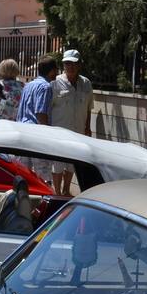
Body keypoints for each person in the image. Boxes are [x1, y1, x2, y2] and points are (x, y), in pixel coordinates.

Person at [50, 49, 94, 195]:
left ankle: (66, 190)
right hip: (59, 131)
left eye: (74, 63)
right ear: (63, 64)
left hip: (78, 131)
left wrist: (88, 127)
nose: (70, 66)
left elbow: (89, 108)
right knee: (58, 164)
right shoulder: (55, 83)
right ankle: (57, 192)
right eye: (67, 63)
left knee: (72, 163)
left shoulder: (86, 83)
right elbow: (48, 108)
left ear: (79, 64)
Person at [16, 54, 59, 185]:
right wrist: (47, 136)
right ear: (52, 70)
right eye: (56, 70)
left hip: (22, 133)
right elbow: (41, 113)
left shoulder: (28, 85)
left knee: (23, 175)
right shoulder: (46, 87)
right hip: (36, 135)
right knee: (44, 177)